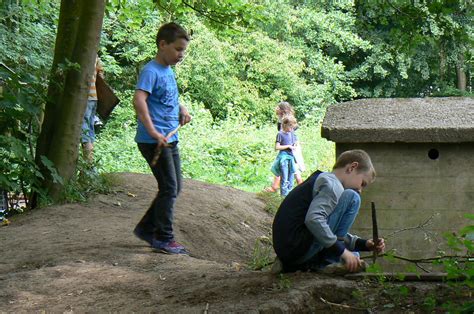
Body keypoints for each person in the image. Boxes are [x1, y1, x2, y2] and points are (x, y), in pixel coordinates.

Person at [272, 149, 385, 273]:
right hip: (296, 249)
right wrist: (342, 252)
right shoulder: (332, 185)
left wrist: (363, 244)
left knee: (354, 254)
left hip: (291, 250)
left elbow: (326, 227)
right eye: (362, 183)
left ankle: (326, 257)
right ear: (352, 167)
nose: (360, 189)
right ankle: (329, 260)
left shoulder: (324, 180)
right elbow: (314, 220)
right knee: (353, 197)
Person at [132, 22, 191, 255]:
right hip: (154, 140)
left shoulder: (167, 71)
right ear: (162, 44)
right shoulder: (150, 71)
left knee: (175, 187)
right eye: (177, 49)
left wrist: (182, 109)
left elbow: (168, 97)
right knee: (169, 187)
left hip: (169, 137)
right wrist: (154, 132)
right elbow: (139, 100)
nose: (180, 54)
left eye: (183, 50)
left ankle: (147, 229)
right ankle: (164, 237)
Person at [264, 101, 303, 193]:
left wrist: (289, 146)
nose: (276, 109)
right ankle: (276, 186)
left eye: (278, 107)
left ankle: (275, 187)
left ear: (282, 109)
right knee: (288, 167)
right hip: (288, 147)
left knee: (290, 167)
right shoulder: (284, 119)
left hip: (291, 148)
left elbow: (290, 134)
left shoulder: (287, 121)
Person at [81, 56, 103, 165]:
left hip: (85, 98)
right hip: (94, 98)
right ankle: (90, 164)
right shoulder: (95, 57)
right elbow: (101, 77)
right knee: (89, 130)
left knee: (84, 131)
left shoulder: (81, 55)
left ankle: (88, 165)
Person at [271, 115, 299, 197]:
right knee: (284, 178)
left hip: (291, 157)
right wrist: (288, 146)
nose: (291, 129)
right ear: (284, 125)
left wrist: (295, 144)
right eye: (290, 126)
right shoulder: (280, 134)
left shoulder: (292, 133)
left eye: (292, 127)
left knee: (291, 178)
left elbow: (295, 141)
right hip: (283, 158)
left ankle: (289, 196)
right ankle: (283, 196)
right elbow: (277, 147)